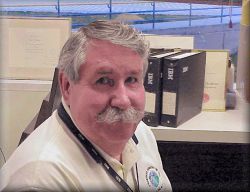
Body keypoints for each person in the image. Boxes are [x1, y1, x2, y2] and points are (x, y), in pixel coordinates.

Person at [0, 20, 172, 192]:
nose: (123, 100)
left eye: (131, 79)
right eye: (104, 81)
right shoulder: (39, 180)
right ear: (67, 86)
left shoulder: (142, 133)